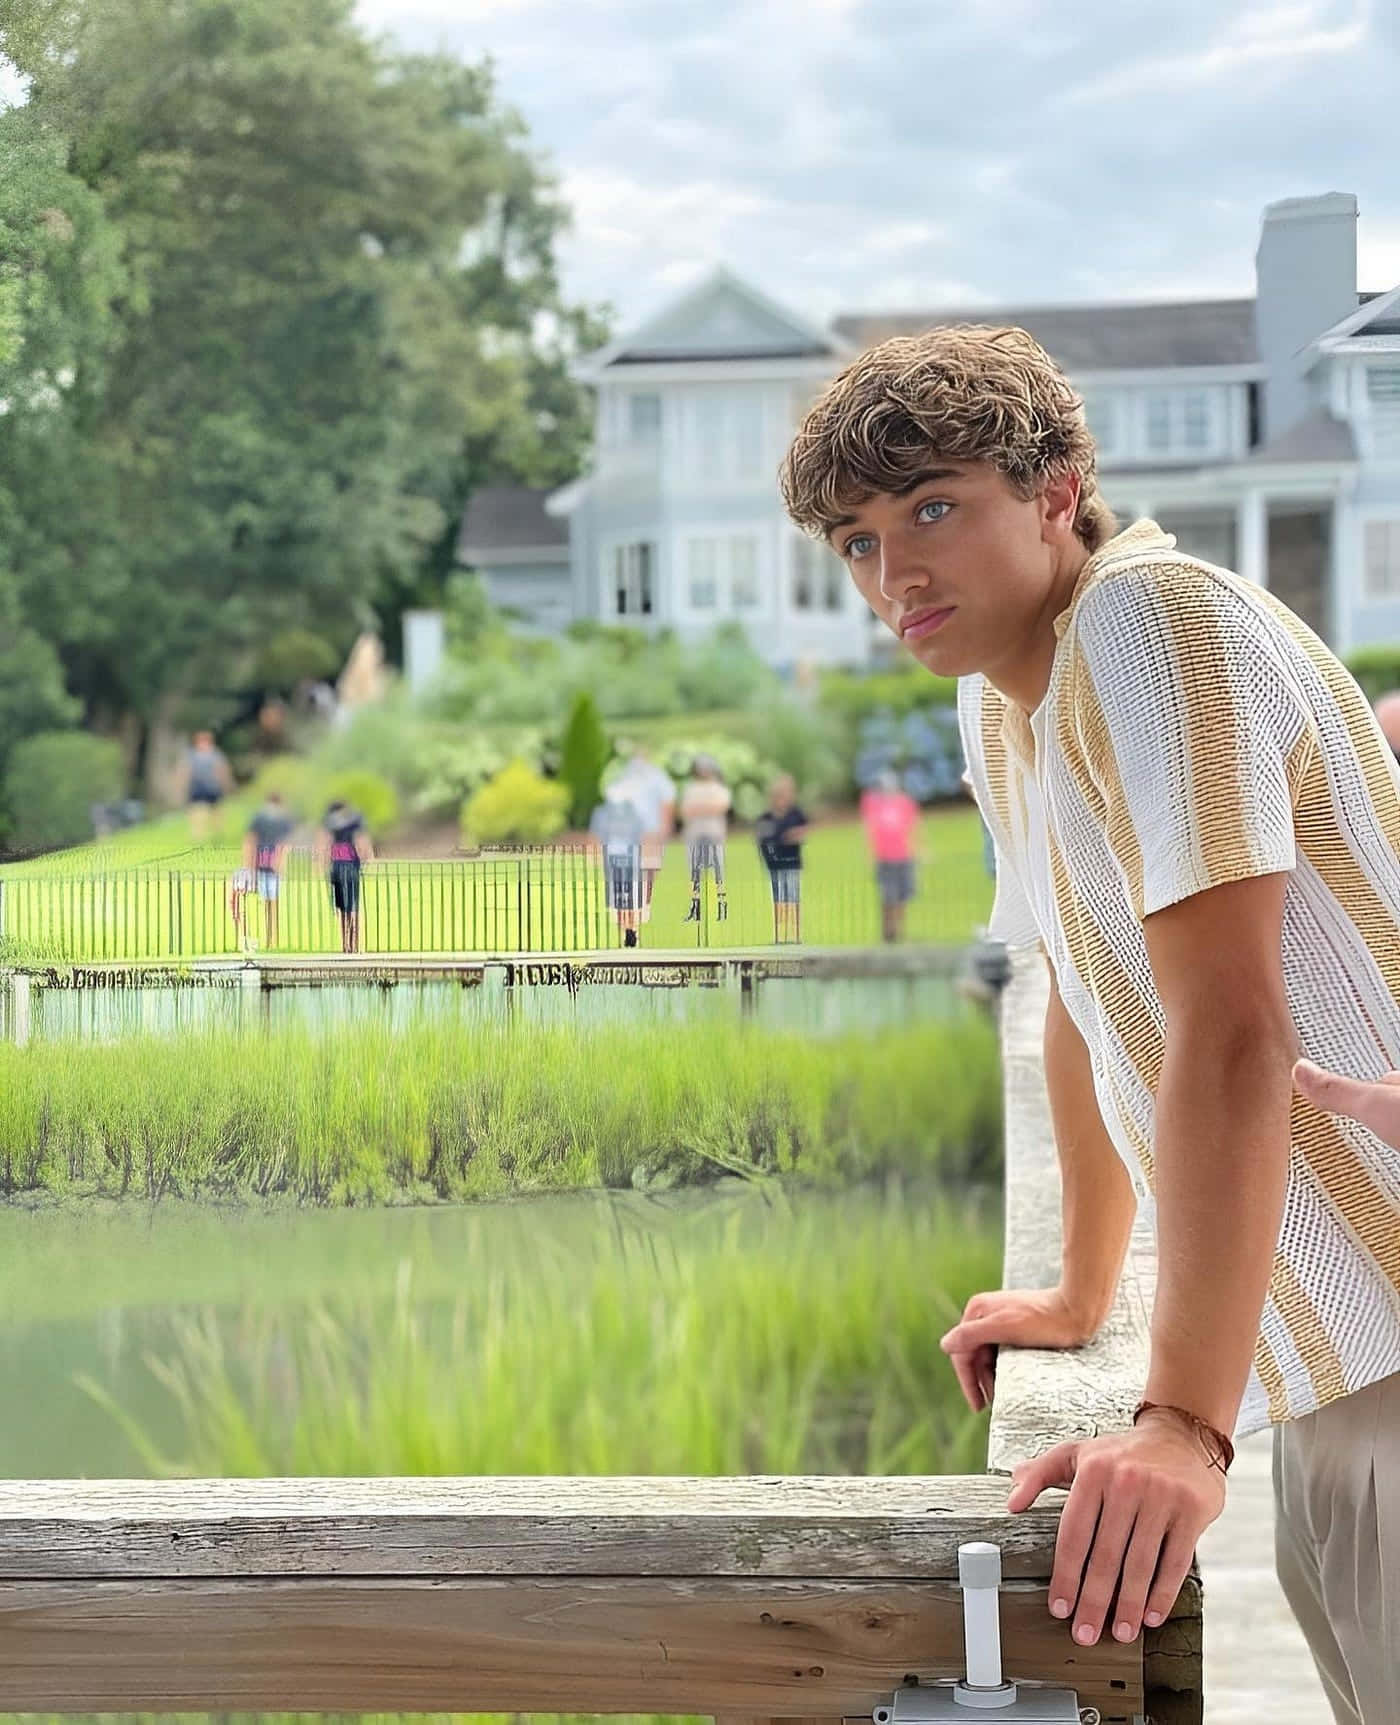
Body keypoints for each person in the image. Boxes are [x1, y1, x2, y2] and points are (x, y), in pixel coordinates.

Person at [779, 324, 1400, 1723]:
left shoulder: (1149, 619)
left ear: (1058, 488)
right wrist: (1082, 1290)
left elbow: (1231, 1026)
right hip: (1333, 1346)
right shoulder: (1006, 710)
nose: (898, 573)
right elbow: (1075, 993)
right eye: (861, 541)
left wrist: (1180, 1420)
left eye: (934, 507)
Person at [611, 747, 675, 917]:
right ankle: (632, 906)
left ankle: (646, 904)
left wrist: (665, 828)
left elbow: (667, 801)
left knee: (649, 868)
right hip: (629, 831)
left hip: (651, 830)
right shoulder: (624, 776)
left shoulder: (657, 777)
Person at [859, 768, 919, 942]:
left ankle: (899, 930)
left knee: (903, 896)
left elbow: (913, 827)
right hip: (884, 857)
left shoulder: (905, 803)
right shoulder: (873, 803)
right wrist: (870, 852)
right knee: (887, 895)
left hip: (903, 855)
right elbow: (868, 828)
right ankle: (888, 930)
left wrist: (916, 849)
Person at [232, 790, 294, 950]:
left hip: (259, 864)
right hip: (273, 865)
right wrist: (281, 863)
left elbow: (249, 840)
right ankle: (272, 938)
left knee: (259, 902)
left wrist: (248, 864)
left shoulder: (258, 818)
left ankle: (258, 937)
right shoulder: (283, 819)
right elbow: (285, 844)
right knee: (272, 903)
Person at [588, 782, 646, 948]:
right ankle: (630, 929)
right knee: (627, 895)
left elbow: (597, 835)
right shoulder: (631, 813)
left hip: (617, 855)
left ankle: (628, 930)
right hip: (626, 855)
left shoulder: (603, 813)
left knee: (620, 896)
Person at [753, 774, 808, 944]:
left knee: (793, 897)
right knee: (778, 898)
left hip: (792, 862)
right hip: (774, 864)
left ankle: (795, 934)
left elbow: (803, 830)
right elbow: (761, 838)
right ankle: (780, 935)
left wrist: (795, 835)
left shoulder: (795, 814)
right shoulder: (766, 818)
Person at [679, 755, 731, 925]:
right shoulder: (690, 789)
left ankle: (721, 906)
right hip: (694, 835)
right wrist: (706, 807)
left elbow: (720, 807)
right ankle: (696, 908)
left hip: (714, 835)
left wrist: (699, 808)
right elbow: (686, 810)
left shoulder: (719, 788)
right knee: (695, 875)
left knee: (718, 873)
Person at [317, 799, 372, 954]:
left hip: (336, 867)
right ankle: (355, 943)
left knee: (342, 909)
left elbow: (325, 845)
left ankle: (345, 944)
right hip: (352, 866)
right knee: (353, 906)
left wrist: (322, 864)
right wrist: (367, 858)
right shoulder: (355, 820)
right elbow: (361, 841)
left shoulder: (330, 823)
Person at [182, 730, 232, 843]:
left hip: (213, 788)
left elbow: (222, 771)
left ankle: (216, 836)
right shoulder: (193, 755)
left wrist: (226, 785)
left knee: (216, 814)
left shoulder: (215, 755)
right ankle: (199, 837)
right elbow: (185, 772)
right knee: (197, 815)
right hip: (198, 789)